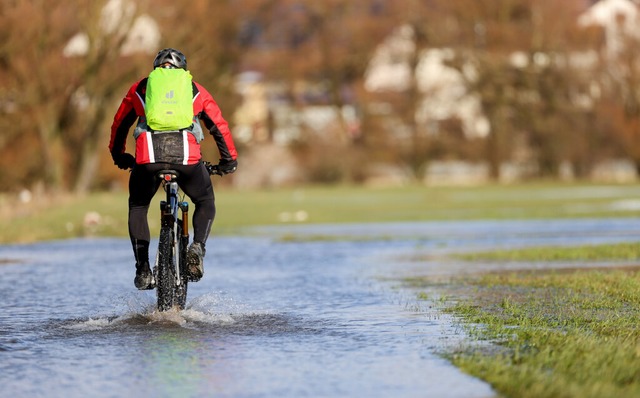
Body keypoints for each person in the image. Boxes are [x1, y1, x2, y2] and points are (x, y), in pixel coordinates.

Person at [109, 48, 238, 290]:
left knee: (138, 206)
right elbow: (218, 125)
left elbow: (120, 123)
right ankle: (197, 247)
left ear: (157, 67)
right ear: (183, 70)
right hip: (187, 160)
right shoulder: (194, 89)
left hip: (148, 160)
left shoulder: (141, 88)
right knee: (205, 199)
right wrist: (228, 160)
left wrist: (119, 155)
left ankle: (143, 269)